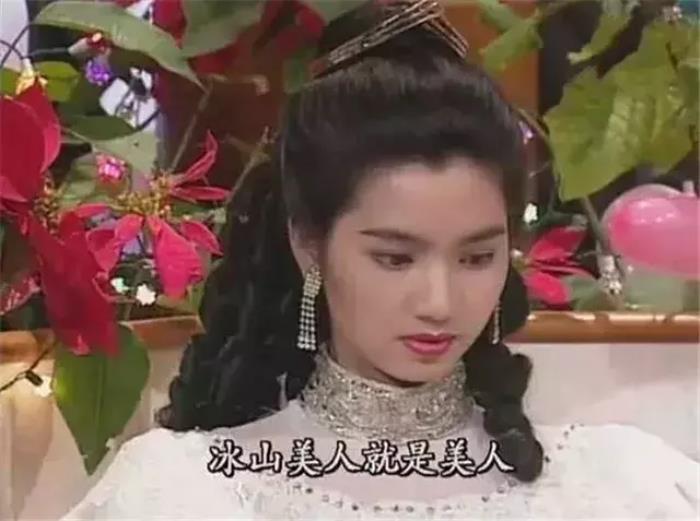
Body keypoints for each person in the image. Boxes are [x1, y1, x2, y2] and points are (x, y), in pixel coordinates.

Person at [61, 0, 698, 518]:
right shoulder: (184, 494)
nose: (440, 303)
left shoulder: (617, 486)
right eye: (395, 259)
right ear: (308, 243)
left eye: (477, 257)